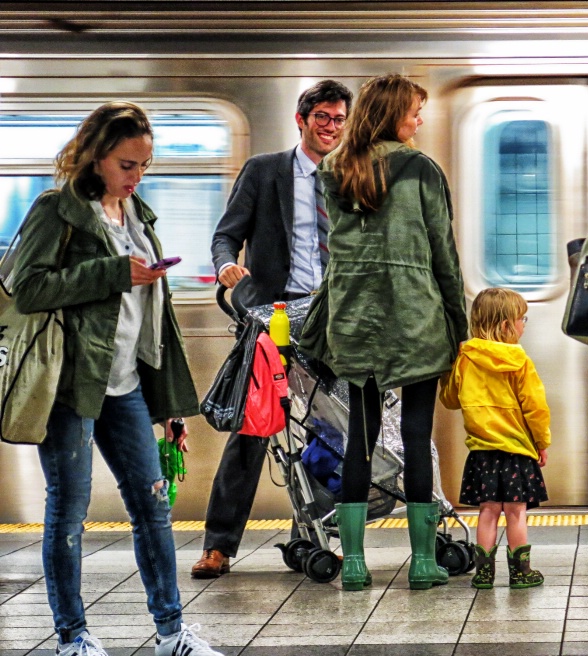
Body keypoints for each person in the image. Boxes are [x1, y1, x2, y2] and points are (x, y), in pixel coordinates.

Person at [13, 102, 222, 656]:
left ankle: (173, 632)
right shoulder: (57, 211)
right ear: (96, 157)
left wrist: (168, 406)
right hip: (70, 386)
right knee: (69, 509)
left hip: (128, 383)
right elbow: (27, 287)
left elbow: (156, 320)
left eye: (145, 167)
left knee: (153, 505)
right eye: (128, 165)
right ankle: (72, 638)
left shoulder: (138, 216)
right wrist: (111, 273)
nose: (137, 177)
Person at [300, 73, 468, 591]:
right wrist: (458, 323)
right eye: (416, 112)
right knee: (417, 436)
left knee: (360, 439)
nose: (420, 120)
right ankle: (421, 561)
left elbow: (336, 253)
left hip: (354, 315)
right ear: (396, 113)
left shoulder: (335, 168)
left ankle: (353, 563)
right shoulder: (419, 168)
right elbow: (442, 250)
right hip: (413, 313)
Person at [192, 79, 353, 578]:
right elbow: (226, 234)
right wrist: (225, 267)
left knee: (340, 429)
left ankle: (326, 533)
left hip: (332, 321)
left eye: (339, 120)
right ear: (301, 120)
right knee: (253, 428)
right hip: (274, 318)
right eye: (323, 117)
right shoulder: (265, 171)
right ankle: (219, 545)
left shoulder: (350, 178)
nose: (331, 128)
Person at [439, 287, 551, 590]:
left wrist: (450, 367)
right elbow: (535, 407)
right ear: (506, 326)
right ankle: (520, 573)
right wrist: (541, 442)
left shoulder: (465, 358)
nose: (524, 324)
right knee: (516, 513)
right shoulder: (519, 360)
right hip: (517, 451)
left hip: (482, 452)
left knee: (487, 512)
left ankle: (484, 573)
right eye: (522, 319)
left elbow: (450, 399)